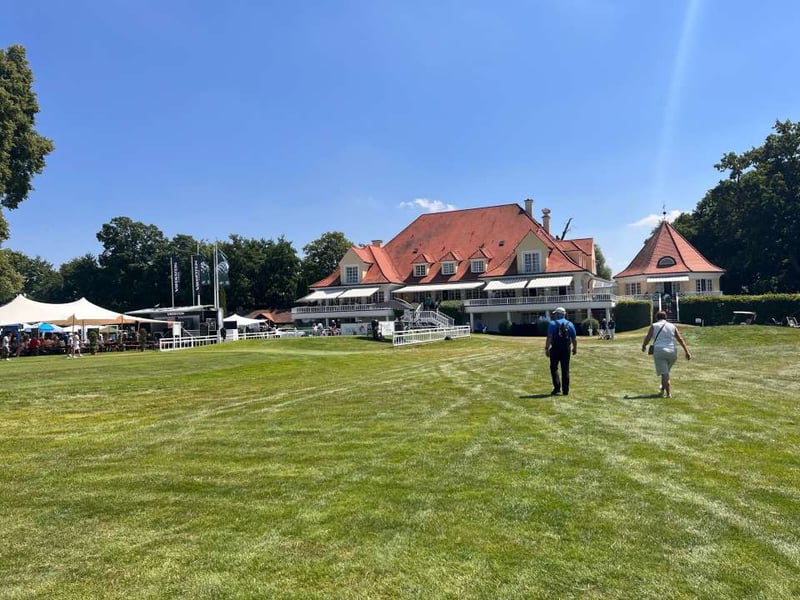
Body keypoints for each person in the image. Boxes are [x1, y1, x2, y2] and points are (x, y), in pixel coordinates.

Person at [641, 310, 691, 398]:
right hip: (672, 352)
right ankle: (662, 389)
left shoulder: (654, 326)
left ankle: (668, 394)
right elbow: (680, 339)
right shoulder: (672, 326)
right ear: (666, 317)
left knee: (665, 374)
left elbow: (648, 338)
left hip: (659, 351)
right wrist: (687, 351)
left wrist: (644, 346)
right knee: (665, 372)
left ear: (657, 318)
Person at [545, 307, 577, 396]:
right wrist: (575, 348)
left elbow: (549, 337)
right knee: (565, 369)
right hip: (566, 349)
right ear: (564, 314)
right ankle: (565, 390)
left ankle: (557, 387)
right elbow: (574, 338)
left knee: (554, 368)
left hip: (555, 348)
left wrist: (547, 348)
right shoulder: (570, 324)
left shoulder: (552, 324)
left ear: (557, 314)